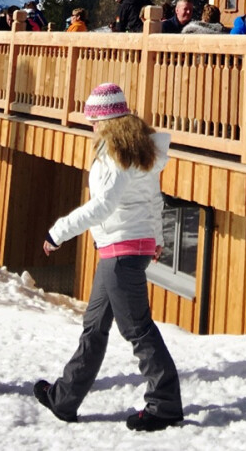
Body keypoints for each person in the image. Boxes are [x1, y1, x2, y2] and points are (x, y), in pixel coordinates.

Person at [34, 83, 183, 432]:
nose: (91, 126)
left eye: (93, 120)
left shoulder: (114, 153)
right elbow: (153, 200)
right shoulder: (139, 149)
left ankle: (164, 405)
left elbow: (103, 205)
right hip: (126, 247)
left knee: (137, 329)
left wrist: (57, 233)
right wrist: (156, 239)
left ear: (106, 120)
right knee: (94, 326)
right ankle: (65, 398)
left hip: (122, 250)